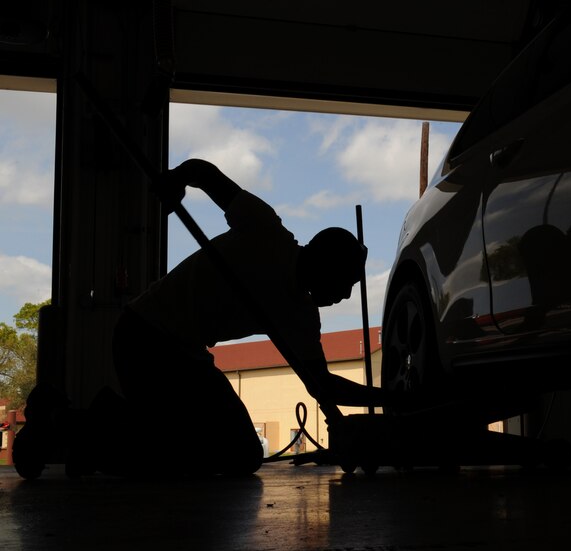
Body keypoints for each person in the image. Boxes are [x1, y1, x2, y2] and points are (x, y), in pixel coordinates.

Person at [14, 158, 394, 478]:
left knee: (242, 454)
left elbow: (321, 387)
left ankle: (93, 434)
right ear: (325, 263)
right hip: (142, 338)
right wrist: (177, 180)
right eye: (346, 282)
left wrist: (390, 402)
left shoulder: (300, 316)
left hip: (187, 357)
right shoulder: (266, 230)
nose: (345, 295)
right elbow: (202, 172)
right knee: (187, 446)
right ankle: (67, 423)